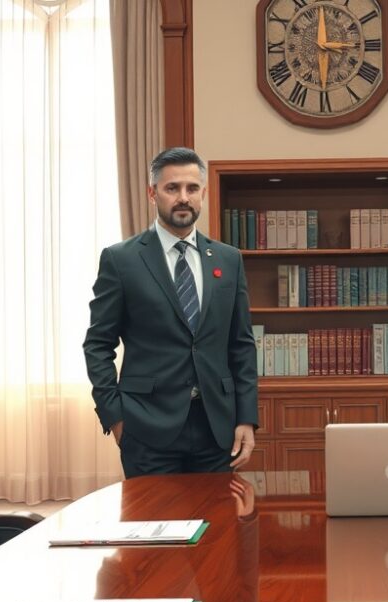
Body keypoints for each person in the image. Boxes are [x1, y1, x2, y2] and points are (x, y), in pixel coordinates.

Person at [83, 147, 259, 478]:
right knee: (154, 527)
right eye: (172, 188)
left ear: (203, 194)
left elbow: (241, 343)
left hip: (216, 427)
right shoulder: (121, 260)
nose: (183, 198)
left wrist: (246, 417)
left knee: (219, 526)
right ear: (153, 193)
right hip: (146, 428)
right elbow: (97, 344)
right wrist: (116, 418)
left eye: (192, 189)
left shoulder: (228, 259)